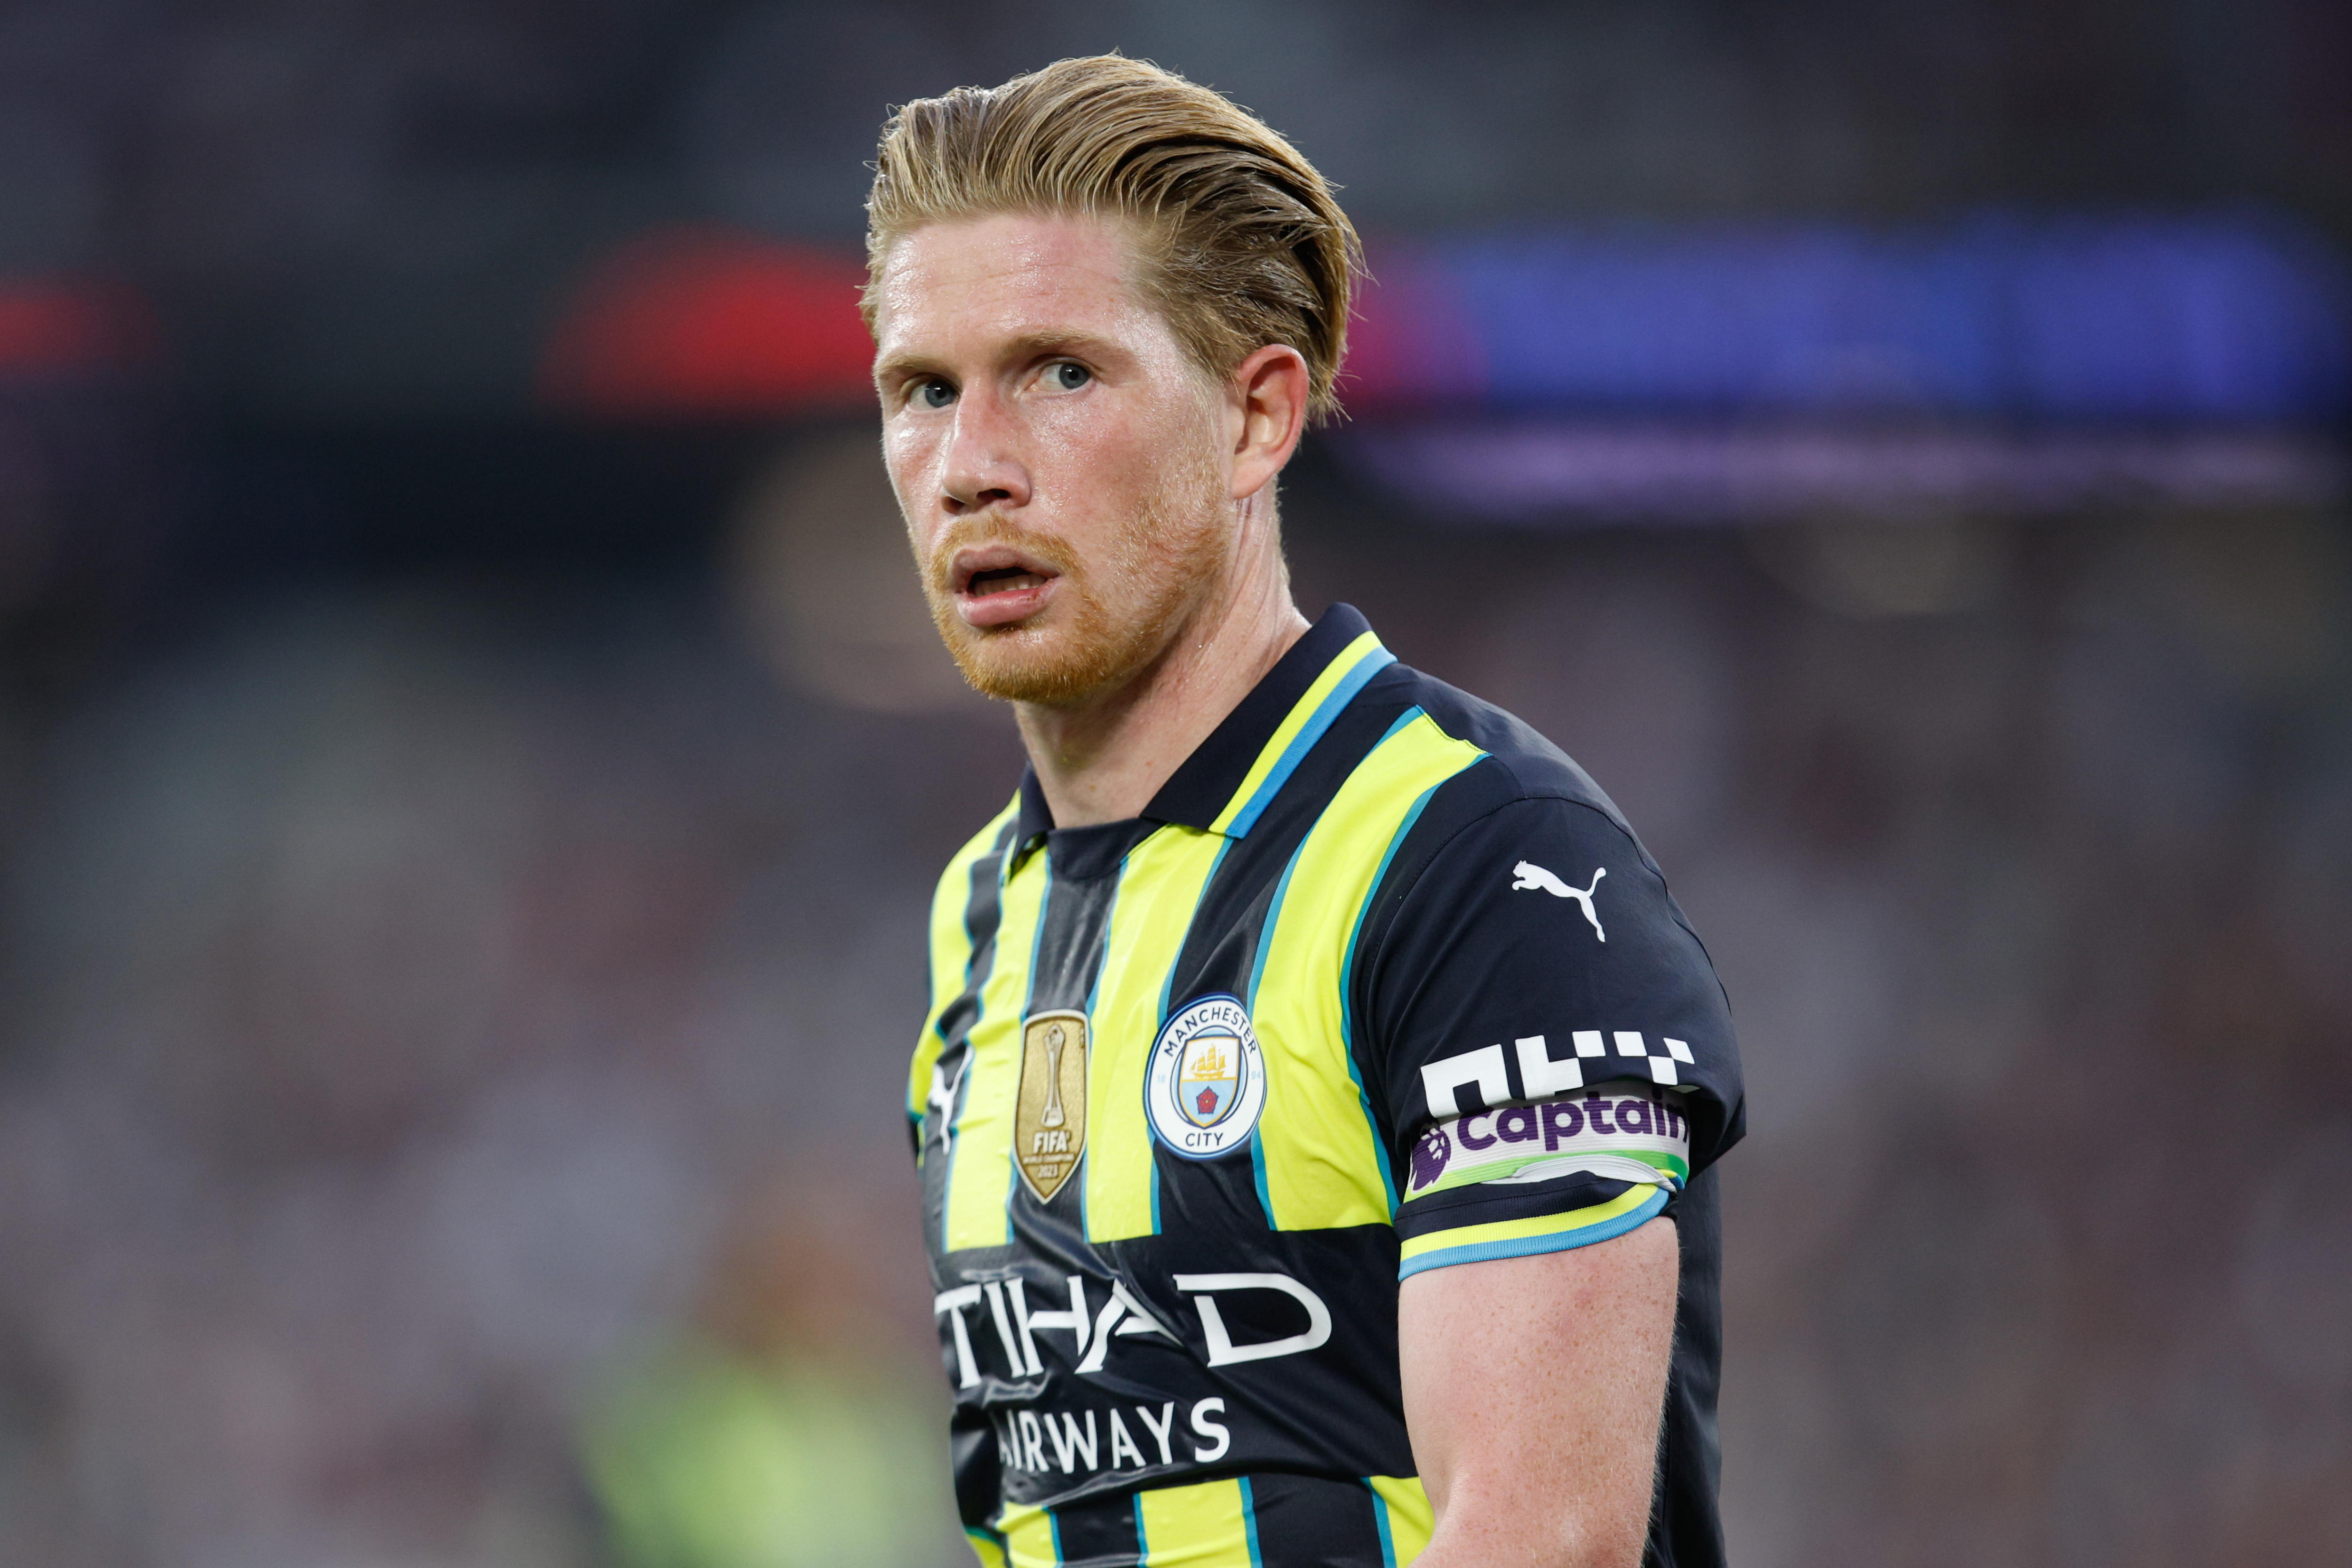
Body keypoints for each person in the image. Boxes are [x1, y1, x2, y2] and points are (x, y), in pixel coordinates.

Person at [872, 56, 1743, 1568]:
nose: (972, 468)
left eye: (1062, 372)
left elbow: (1543, 1543)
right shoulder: (980, 915)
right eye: (924, 390)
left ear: (1258, 416)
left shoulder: (1476, 862)